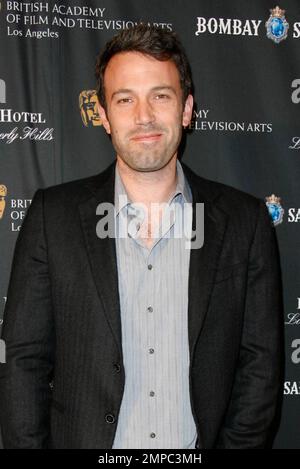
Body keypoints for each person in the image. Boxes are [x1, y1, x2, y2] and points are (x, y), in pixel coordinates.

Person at [0, 24, 283, 449]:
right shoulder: (51, 217)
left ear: (186, 109)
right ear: (104, 115)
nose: (144, 116)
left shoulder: (245, 222)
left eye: (161, 96)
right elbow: (22, 362)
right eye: (125, 99)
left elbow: (260, 367)